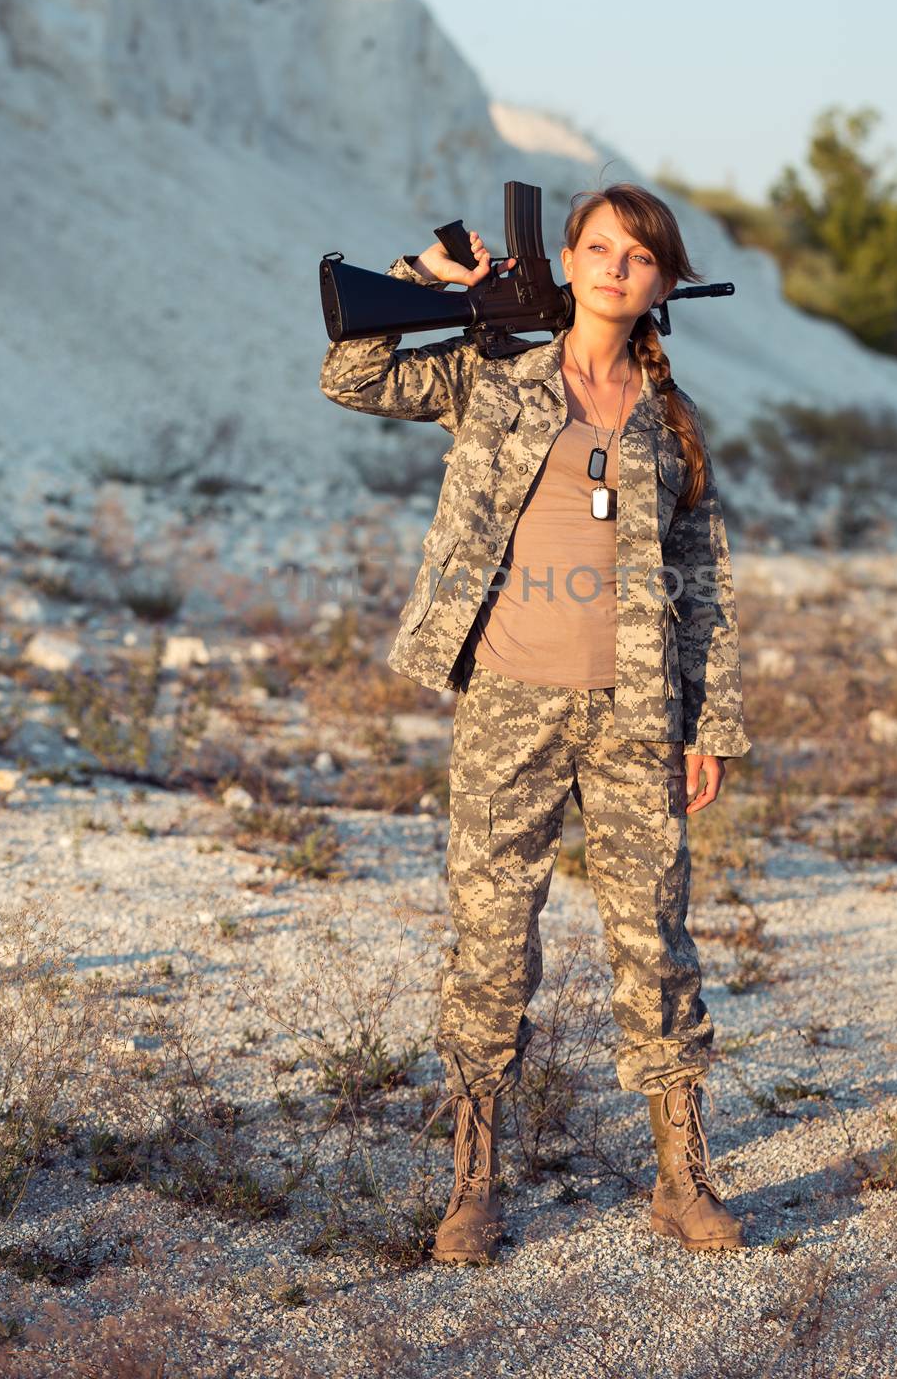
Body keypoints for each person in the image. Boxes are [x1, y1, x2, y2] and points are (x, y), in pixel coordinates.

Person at [319, 182, 751, 1265]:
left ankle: (679, 1176)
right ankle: (473, 1181)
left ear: (663, 279)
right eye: (597, 247)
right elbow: (350, 372)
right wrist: (430, 277)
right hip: (509, 698)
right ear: (565, 259)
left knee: (655, 939)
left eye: (638, 255)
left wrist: (712, 722)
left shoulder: (670, 417)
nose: (615, 265)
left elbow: (703, 577)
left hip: (638, 713)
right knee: (491, 944)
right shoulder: (493, 374)